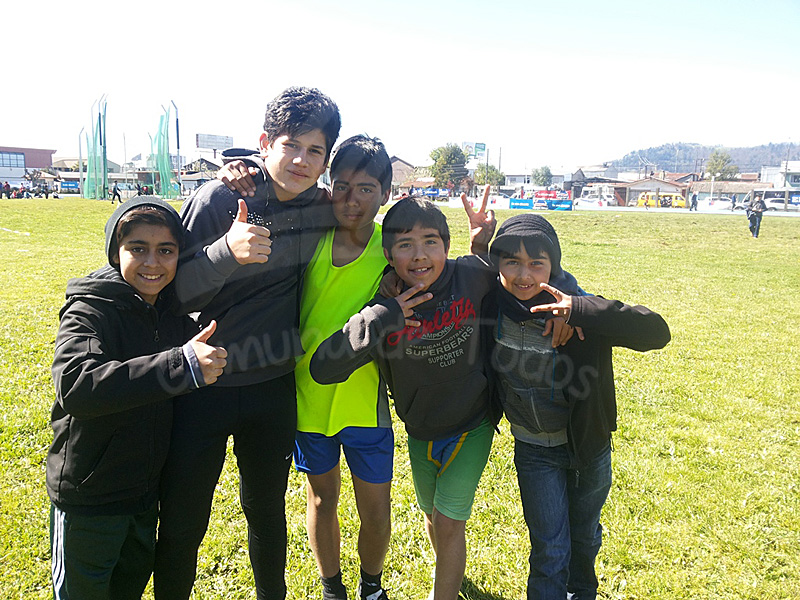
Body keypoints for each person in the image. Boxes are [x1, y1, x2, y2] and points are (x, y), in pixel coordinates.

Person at [153, 86, 341, 600]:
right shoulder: (219, 199)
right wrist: (225, 252)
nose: (301, 160)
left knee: (266, 512)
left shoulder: (321, 207)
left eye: (315, 150)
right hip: (203, 386)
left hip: (272, 386)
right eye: (290, 145)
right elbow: (170, 296)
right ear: (264, 143)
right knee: (185, 515)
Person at [310, 198, 499, 600]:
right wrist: (383, 314)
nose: (419, 255)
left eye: (430, 242)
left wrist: (481, 245)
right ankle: (450, 567)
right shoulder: (384, 307)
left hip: (471, 424)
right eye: (405, 244)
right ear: (388, 253)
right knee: (432, 516)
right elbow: (324, 369)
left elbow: (520, 280)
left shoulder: (470, 276)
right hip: (420, 431)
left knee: (448, 523)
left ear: (447, 247)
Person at [46, 196, 227, 600]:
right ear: (116, 252)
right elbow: (77, 385)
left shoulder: (170, 311)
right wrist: (180, 364)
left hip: (144, 497)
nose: (152, 263)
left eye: (166, 251)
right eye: (138, 249)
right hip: (90, 498)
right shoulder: (90, 309)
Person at [483, 213, 671, 600]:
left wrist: (583, 310)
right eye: (512, 261)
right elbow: (453, 280)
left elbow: (656, 332)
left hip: (588, 449)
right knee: (550, 549)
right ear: (498, 263)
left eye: (537, 263)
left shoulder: (579, 312)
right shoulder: (490, 306)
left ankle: (582, 591)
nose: (524, 275)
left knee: (584, 538)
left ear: (553, 266)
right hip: (534, 449)